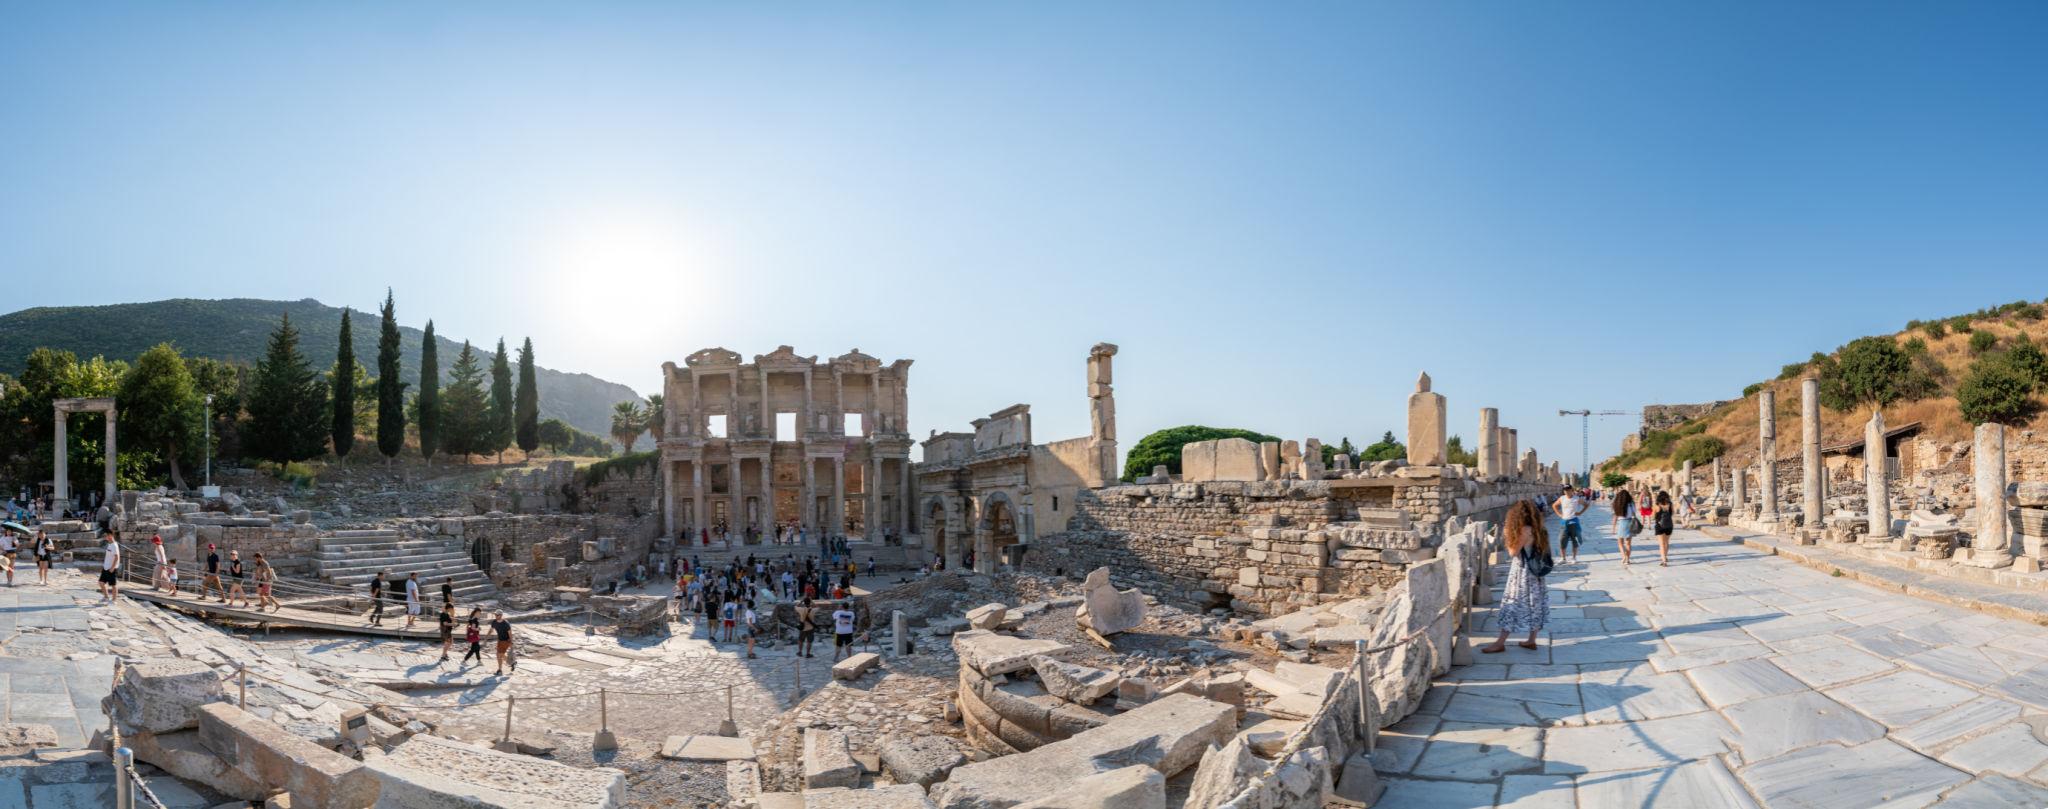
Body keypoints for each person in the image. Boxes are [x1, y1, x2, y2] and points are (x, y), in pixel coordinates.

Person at [1482, 500, 1552, 653]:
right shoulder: (1539, 529)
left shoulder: (1524, 530)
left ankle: (1500, 643)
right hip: (1535, 575)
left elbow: (1513, 552)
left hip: (1522, 573)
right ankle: (1531, 640)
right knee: (1535, 604)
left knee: (1512, 604)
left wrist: (1507, 536)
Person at [1551, 485, 1585, 565]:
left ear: (1572, 490)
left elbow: (1586, 504)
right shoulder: (1562, 498)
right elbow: (1554, 505)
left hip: (1574, 521)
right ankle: (1563, 558)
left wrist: (1580, 512)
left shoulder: (1576, 498)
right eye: (1565, 490)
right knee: (1562, 540)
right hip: (1564, 521)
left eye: (1568, 490)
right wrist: (1559, 514)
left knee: (1574, 539)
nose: (1566, 491)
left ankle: (1574, 557)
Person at [1609, 487, 1637, 566]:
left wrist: (1613, 528)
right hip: (1630, 522)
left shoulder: (1618, 504)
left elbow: (1615, 517)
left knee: (1620, 542)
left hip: (1622, 523)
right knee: (1628, 543)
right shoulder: (1631, 504)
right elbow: (1634, 513)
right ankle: (1627, 559)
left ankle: (1623, 556)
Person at [1653, 490, 1677, 566]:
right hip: (1669, 525)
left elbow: (1653, 516)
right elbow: (1672, 513)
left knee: (1661, 544)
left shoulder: (1657, 505)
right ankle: (1665, 557)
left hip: (1660, 525)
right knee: (1666, 542)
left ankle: (1663, 561)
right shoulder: (1670, 504)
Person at [490, 611, 515, 675]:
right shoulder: (494, 622)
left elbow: (510, 633)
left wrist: (511, 642)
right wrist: (486, 637)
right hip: (500, 640)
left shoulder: (506, 623)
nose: (495, 616)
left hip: (506, 641)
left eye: (497, 615)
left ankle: (500, 670)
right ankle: (511, 663)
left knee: (499, 655)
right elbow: (491, 630)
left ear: (501, 615)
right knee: (500, 655)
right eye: (495, 614)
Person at [99, 533, 122, 601]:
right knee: (101, 582)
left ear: (111, 536)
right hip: (106, 567)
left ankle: (114, 600)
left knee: (113, 585)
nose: (105, 537)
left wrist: (112, 567)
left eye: (106, 536)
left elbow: (116, 557)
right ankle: (106, 597)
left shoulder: (114, 545)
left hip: (111, 568)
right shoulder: (110, 544)